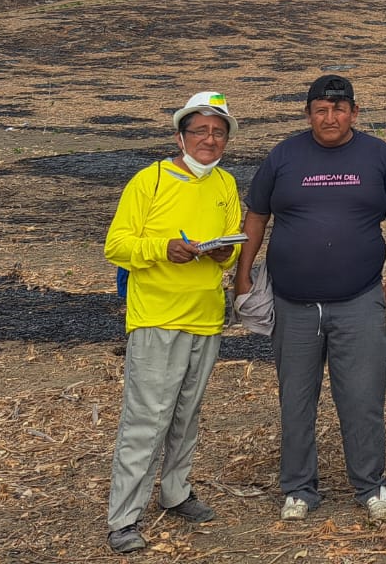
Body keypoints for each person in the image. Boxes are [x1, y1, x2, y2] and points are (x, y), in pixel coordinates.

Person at [235, 74, 386, 522]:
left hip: (359, 299)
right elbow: (256, 215)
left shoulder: (378, 155)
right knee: (296, 400)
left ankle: (369, 485)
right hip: (292, 304)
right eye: (321, 110)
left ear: (354, 112)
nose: (330, 118)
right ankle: (298, 488)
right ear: (308, 114)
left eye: (339, 109)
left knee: (362, 398)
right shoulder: (284, 155)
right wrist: (243, 274)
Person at [103, 91, 244, 554]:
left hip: (206, 316)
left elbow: (234, 247)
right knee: (147, 418)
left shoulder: (225, 183)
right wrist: (163, 248)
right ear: (180, 136)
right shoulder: (150, 180)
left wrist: (224, 253)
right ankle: (124, 518)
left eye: (218, 132)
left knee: (187, 412)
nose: (209, 139)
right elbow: (117, 245)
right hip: (157, 317)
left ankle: (176, 492)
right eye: (200, 130)